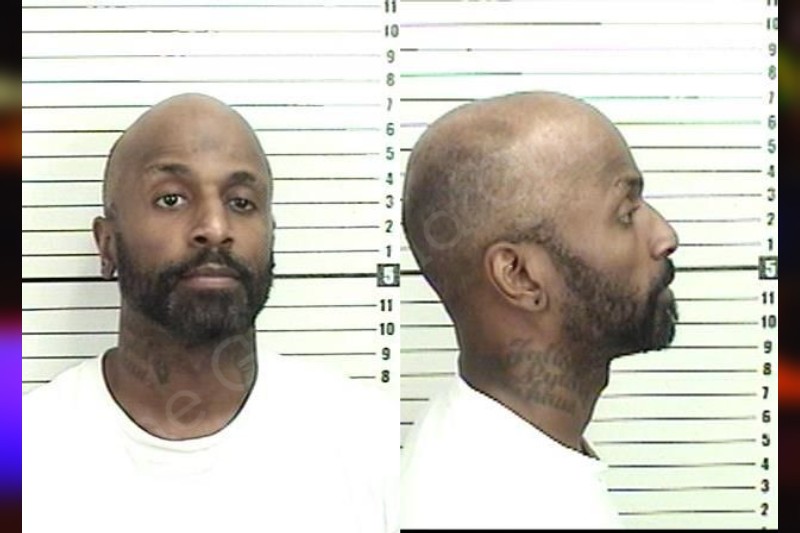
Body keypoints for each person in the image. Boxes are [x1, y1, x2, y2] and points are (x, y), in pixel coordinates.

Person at [23, 93, 396, 533]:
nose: (215, 229)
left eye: (241, 202)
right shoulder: (26, 452)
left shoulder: (367, 441)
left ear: (271, 235)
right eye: (171, 199)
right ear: (107, 244)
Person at [400, 91, 679, 529]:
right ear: (520, 276)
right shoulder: (492, 508)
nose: (665, 236)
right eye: (626, 214)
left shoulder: (508, 454)